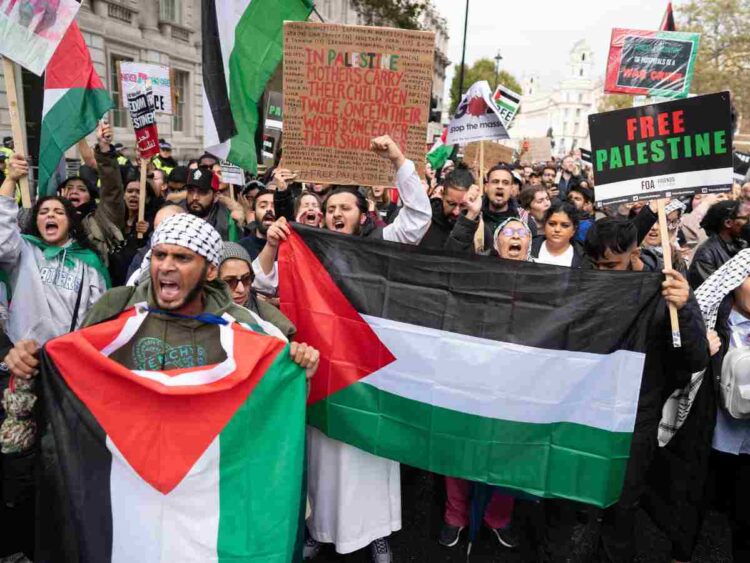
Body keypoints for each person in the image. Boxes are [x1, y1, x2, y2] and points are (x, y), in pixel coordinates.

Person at [3, 213, 320, 562]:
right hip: (124, 485)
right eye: (159, 255)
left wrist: (298, 373)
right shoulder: (116, 309)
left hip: (204, 493)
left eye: (182, 258)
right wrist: (31, 364)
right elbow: (72, 371)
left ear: (209, 270)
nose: (166, 266)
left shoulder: (243, 327)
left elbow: (268, 411)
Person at [303, 135, 431, 563]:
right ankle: (320, 529)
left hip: (370, 368)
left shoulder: (381, 243)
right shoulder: (309, 248)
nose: (336, 214)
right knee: (324, 454)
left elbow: (418, 216)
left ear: (362, 215)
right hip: (325, 368)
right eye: (331, 209)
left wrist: (397, 159)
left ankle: (376, 532)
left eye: (345, 208)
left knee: (369, 453)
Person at [583, 218, 709, 562]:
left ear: (635, 253)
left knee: (623, 505)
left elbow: (695, 357)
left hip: (637, 415)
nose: (603, 272)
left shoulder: (669, 290)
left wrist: (684, 310)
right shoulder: (592, 278)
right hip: (587, 407)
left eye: (611, 265)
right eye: (596, 265)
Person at [0, 153, 110, 345]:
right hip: (23, 357)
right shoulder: (23, 250)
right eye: (43, 212)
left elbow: (99, 313)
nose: (50, 215)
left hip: (68, 357)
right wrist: (10, 179)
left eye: (58, 212)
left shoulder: (88, 261)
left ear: (70, 222)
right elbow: (2, 233)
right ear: (36, 221)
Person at [57, 122, 125, 265]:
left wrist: (105, 148)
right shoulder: (49, 220)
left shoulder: (101, 219)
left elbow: (112, 190)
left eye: (81, 189)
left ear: (91, 197)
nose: (74, 191)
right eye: (69, 188)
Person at [219, 242, 295, 339]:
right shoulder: (199, 315)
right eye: (230, 281)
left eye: (246, 279)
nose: (241, 289)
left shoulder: (273, 320)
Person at [688, 200, 749, 289]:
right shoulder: (706, 254)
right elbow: (711, 292)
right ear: (728, 223)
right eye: (746, 218)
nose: (748, 222)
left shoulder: (743, 244)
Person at [419, 167, 481, 252]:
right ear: (442, 195)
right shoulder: (421, 221)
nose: (456, 212)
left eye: (463, 205)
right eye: (451, 204)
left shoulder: (480, 231)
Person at [184, 166, 241, 241]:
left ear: (216, 196)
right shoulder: (176, 215)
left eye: (202, 192)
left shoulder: (228, 221)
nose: (194, 197)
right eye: (191, 191)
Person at [481, 165, 534, 241]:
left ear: (512, 189)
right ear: (486, 187)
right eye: (495, 182)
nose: (500, 186)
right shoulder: (474, 216)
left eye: (505, 183)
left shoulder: (524, 220)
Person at [531, 201, 584, 267]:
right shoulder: (529, 247)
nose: (557, 229)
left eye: (564, 225)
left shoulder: (583, 256)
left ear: (574, 230)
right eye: (552, 224)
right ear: (544, 225)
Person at [239, 188, 276, 259]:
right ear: (253, 214)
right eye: (263, 206)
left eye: (274, 206)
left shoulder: (288, 249)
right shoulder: (241, 249)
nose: (269, 209)